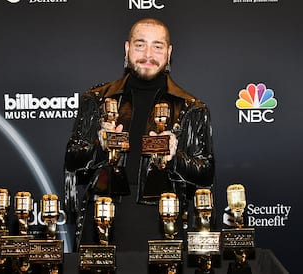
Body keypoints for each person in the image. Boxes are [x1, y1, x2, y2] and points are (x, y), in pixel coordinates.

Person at [64, 18, 215, 253]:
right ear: (127, 48)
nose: (148, 54)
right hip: (105, 213)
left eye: (157, 46)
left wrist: (174, 158)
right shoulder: (96, 99)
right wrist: (99, 146)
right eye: (140, 44)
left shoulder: (191, 108)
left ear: (169, 52)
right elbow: (72, 159)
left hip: (164, 218)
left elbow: (206, 172)